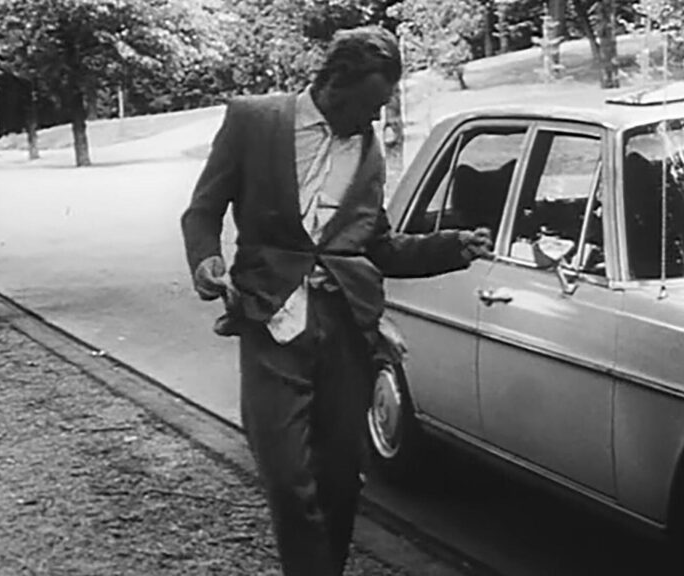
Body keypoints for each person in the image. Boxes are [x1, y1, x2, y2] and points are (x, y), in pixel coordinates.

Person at [180, 26, 492, 576]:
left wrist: (450, 247)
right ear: (335, 84)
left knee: (341, 480)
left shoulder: (368, 149)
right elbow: (202, 212)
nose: (375, 118)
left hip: (346, 326)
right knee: (286, 477)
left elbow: (376, 246)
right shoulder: (253, 120)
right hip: (271, 318)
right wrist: (207, 261)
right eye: (370, 104)